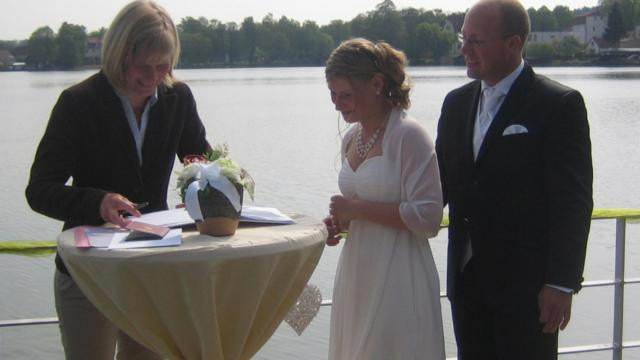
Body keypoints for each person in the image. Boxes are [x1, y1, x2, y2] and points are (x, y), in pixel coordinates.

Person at [25, 1, 210, 358]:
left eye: (164, 66)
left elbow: (200, 163)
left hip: (153, 270)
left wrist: (205, 192)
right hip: (88, 274)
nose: (153, 77)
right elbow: (39, 190)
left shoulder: (178, 98)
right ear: (118, 53)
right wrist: (97, 202)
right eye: (143, 66)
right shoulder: (77, 102)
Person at [435, 0, 593, 359]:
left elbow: (573, 201)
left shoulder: (558, 104)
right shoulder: (456, 104)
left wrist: (560, 283)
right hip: (466, 282)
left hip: (529, 289)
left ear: (513, 44)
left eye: (476, 41)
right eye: (464, 39)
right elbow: (437, 185)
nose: (464, 50)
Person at [324, 38, 445, 360]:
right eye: (332, 95)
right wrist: (341, 223)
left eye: (345, 95)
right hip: (357, 273)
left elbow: (429, 218)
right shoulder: (352, 137)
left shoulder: (410, 136)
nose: (337, 104)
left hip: (399, 276)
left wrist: (356, 209)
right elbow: (359, 209)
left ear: (377, 84)